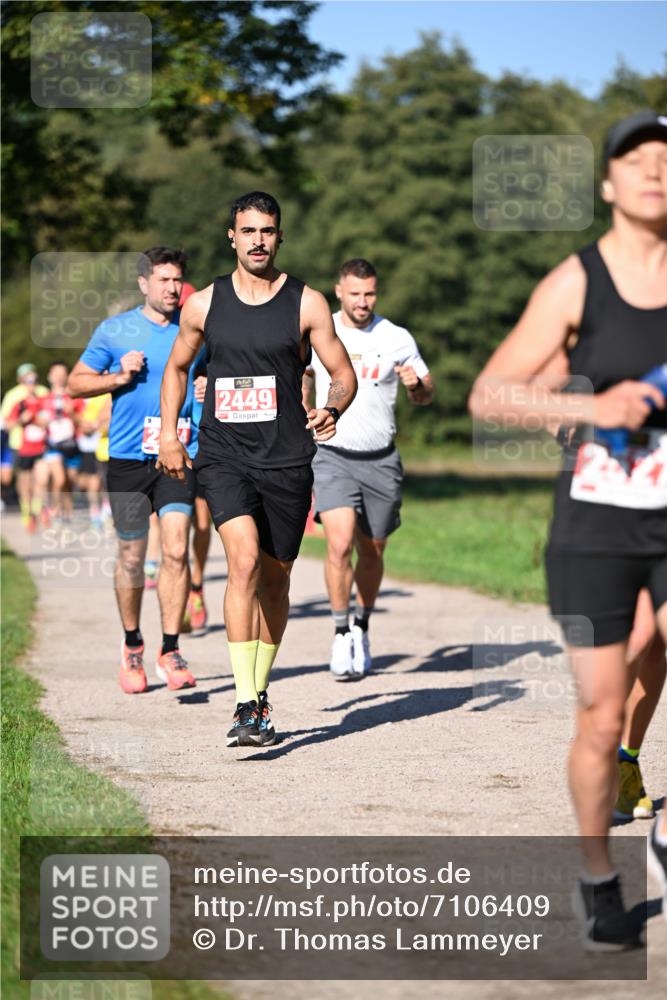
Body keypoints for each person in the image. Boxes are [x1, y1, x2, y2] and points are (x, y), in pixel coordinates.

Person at [469, 110, 667, 950]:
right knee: (598, 711)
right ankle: (597, 877)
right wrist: (593, 407)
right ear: (608, 184)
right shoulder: (574, 282)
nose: (655, 170)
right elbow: (489, 394)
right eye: (637, 159)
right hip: (595, 521)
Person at [157, 191, 357, 747]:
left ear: (279, 235)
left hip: (288, 458)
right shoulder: (204, 305)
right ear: (232, 236)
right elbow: (176, 370)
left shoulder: (307, 303)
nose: (258, 241)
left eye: (267, 231)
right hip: (223, 455)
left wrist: (332, 406)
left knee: (276, 578)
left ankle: (259, 691)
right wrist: (172, 433)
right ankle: (247, 705)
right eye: (248, 231)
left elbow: (343, 373)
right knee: (241, 562)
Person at [68, 246, 198, 695]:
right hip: (127, 458)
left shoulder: (196, 329)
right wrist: (117, 376)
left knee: (177, 550)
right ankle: (132, 644)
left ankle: (171, 648)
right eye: (163, 280)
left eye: (177, 280)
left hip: (178, 453)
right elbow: (75, 384)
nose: (172, 288)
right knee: (131, 557)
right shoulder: (116, 329)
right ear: (144, 284)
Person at [303, 258, 433, 678]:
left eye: (370, 293)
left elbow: (425, 396)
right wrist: (307, 410)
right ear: (338, 290)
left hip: (381, 458)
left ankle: (362, 625)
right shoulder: (324, 330)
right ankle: (340, 632)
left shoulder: (396, 337)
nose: (363, 301)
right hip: (333, 454)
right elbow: (302, 376)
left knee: (372, 549)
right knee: (338, 544)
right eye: (355, 293)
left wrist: (417, 384)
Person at [34, 361, 85, 526]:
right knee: (60, 478)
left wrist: (71, 414)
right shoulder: (44, 399)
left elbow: (82, 422)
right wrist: (43, 420)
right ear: (49, 376)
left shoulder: (74, 397)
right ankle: (54, 508)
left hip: (71, 444)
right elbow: (38, 421)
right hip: (53, 445)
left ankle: (66, 513)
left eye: (62, 374)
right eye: (56, 373)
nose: (59, 377)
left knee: (69, 481)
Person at [1, 363, 48, 528]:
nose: (31, 381)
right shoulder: (13, 396)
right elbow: (6, 424)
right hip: (19, 444)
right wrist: (22, 419)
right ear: (20, 379)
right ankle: (26, 509)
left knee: (42, 478)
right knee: (24, 481)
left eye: (33, 377)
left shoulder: (43, 392)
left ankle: (36, 508)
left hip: (42, 445)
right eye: (27, 378)